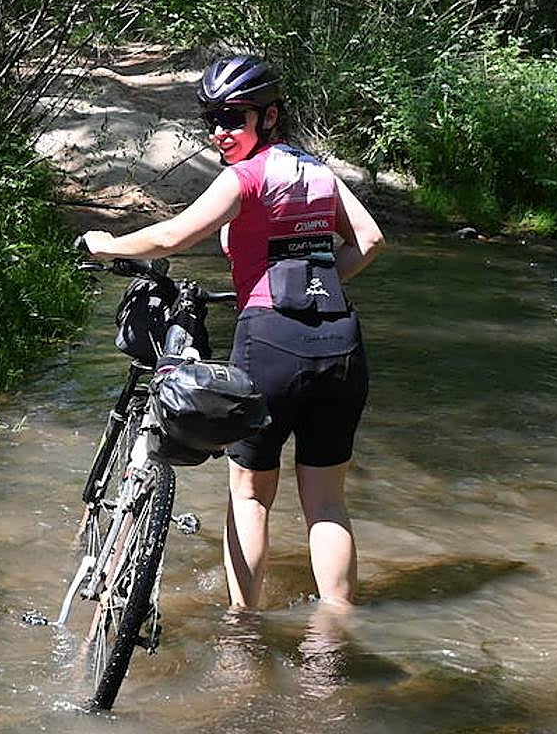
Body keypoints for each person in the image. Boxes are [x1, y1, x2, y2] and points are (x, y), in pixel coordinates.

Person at [79, 54, 385, 611]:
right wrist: (320, 282)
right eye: (213, 119)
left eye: (234, 118)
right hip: (342, 347)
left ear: (268, 117)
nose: (221, 132)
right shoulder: (318, 172)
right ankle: (336, 639)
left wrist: (106, 244)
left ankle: (243, 632)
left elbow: (173, 236)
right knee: (326, 505)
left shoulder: (245, 177)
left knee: (250, 496)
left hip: (272, 345)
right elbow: (368, 240)